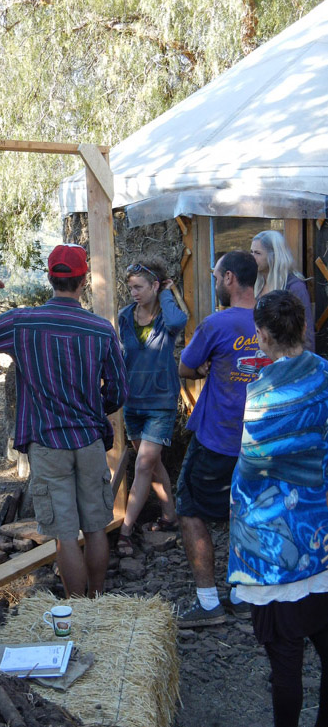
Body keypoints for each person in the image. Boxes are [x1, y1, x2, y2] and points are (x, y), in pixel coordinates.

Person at [0, 244, 128, 598]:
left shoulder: (24, 323)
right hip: (89, 440)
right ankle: (97, 604)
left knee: (65, 536)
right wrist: (97, 410)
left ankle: (77, 609)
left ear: (50, 279)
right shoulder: (100, 330)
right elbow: (118, 391)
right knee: (96, 528)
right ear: (82, 282)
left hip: (47, 443)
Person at [228, 290, 328, 727]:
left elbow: (253, 463)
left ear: (263, 336)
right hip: (322, 538)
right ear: (303, 328)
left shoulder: (263, 395)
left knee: (285, 665)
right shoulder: (325, 374)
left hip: (276, 549)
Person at [176, 251, 258, 628]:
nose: (214, 282)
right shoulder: (272, 321)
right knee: (247, 512)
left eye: (216, 276)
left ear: (229, 279)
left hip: (218, 438)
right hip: (261, 442)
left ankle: (209, 603)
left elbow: (186, 366)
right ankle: (243, 596)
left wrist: (204, 366)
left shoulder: (216, 324)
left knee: (190, 509)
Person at [116, 256, 187, 556]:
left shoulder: (167, 318)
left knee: (143, 464)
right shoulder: (124, 317)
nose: (133, 292)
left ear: (155, 286)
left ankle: (125, 531)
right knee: (152, 463)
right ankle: (170, 516)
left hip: (160, 402)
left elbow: (177, 322)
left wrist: (167, 292)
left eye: (140, 287)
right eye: (130, 287)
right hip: (133, 402)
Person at [250, 229, 314, 350]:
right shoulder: (254, 283)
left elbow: (306, 333)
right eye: (251, 252)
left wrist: (303, 366)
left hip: (285, 360)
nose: (252, 257)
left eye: (257, 253)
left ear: (274, 255)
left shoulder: (294, 287)